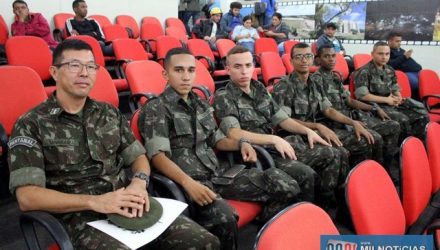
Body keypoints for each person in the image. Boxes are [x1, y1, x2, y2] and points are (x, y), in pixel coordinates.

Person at [8, 39, 220, 249]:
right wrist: (94, 201)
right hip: (80, 218)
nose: (84, 73)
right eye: (74, 65)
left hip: (126, 203)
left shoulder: (108, 113)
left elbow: (138, 156)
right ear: (54, 72)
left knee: (205, 242)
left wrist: (139, 181)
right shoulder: (31, 124)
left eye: (91, 67)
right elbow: (27, 197)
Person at [138, 48, 301, 248]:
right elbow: (157, 157)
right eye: (178, 70)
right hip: (189, 182)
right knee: (226, 217)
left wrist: (242, 143)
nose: (186, 76)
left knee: (285, 184)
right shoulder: (156, 108)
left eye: (190, 70)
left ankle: (262, 238)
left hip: (219, 174)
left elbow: (217, 140)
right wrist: (189, 183)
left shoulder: (201, 104)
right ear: (166, 74)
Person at [213, 45, 349, 216]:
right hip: (256, 153)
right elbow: (234, 133)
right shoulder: (224, 96)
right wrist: (273, 139)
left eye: (248, 65)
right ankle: (300, 220)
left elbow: (282, 119)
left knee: (333, 154)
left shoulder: (259, 89)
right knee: (306, 175)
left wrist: (308, 131)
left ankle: (326, 212)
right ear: (227, 69)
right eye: (237, 66)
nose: (244, 71)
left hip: (276, 146)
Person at [273, 43, 377, 167]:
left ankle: (357, 181)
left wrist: (353, 123)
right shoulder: (284, 86)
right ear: (291, 61)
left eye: (308, 56)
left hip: (318, 131)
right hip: (296, 137)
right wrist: (316, 126)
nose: (304, 60)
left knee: (365, 140)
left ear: (313, 59)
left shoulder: (315, 82)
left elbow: (328, 110)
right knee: (339, 153)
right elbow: (284, 121)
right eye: (298, 57)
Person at [314, 44, 401, 174]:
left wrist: (373, 108)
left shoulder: (334, 77)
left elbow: (349, 101)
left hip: (349, 116)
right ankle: (364, 175)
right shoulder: (316, 80)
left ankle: (383, 171)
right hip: (333, 123)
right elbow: (328, 111)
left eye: (333, 56)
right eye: (326, 56)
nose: (331, 59)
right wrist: (352, 122)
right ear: (318, 60)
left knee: (392, 125)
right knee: (372, 138)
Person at [354, 41, 429, 141]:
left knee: (421, 114)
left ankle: (417, 143)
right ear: (372, 54)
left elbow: (395, 88)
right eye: (380, 54)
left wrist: (398, 97)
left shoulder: (390, 70)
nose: (384, 57)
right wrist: (387, 100)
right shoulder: (363, 71)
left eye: (387, 54)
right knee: (403, 119)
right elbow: (362, 96)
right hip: (374, 107)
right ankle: (402, 149)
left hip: (390, 103)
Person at [387, 32, 422, 100]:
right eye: (397, 41)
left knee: (429, 83)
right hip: (406, 73)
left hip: (417, 71)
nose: (399, 43)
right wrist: (404, 56)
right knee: (417, 85)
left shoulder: (401, 50)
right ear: (390, 41)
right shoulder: (387, 51)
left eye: (400, 41)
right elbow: (390, 65)